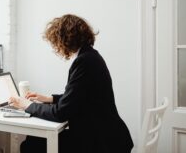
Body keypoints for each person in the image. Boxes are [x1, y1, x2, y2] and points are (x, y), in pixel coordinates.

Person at [9, 14, 134, 153]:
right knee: (33, 140)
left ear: (64, 39)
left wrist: (27, 105)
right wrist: (49, 98)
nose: (56, 46)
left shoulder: (84, 62)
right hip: (107, 136)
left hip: (100, 143)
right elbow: (79, 97)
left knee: (30, 146)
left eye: (56, 41)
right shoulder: (91, 56)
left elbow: (60, 113)